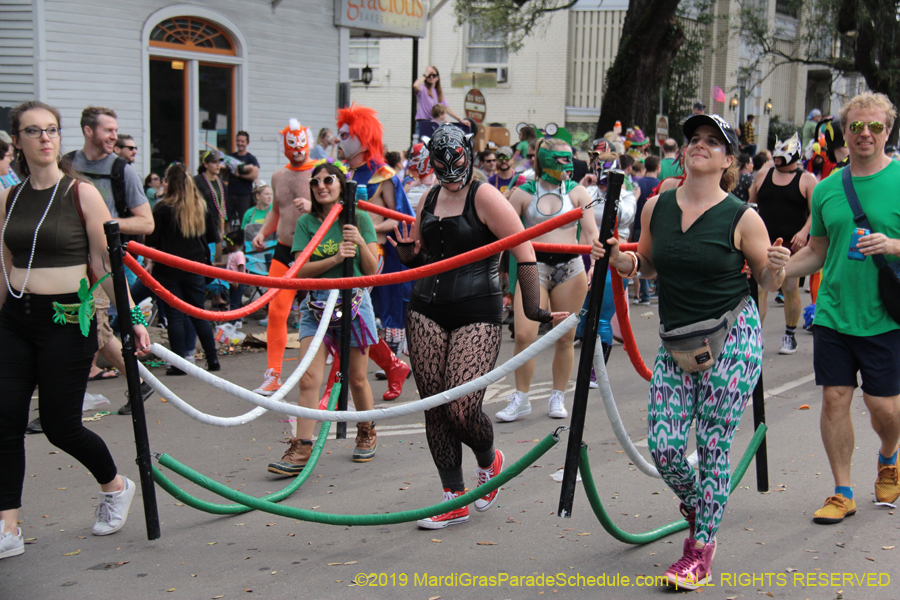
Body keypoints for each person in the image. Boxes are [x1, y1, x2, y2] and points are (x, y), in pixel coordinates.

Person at [592, 113, 790, 590]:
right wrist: (625, 261)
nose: (699, 145)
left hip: (732, 338)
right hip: (677, 340)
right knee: (663, 447)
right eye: (693, 139)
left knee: (714, 442)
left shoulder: (743, 216)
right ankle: (701, 502)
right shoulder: (656, 206)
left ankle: (699, 550)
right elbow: (651, 266)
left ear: (728, 160)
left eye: (711, 142)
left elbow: (765, 280)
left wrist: (778, 268)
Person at [0, 101, 152, 559]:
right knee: (4, 420)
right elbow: (3, 265)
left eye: (52, 130)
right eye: (34, 131)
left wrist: (133, 320)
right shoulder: (9, 198)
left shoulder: (80, 193)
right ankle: (7, 526)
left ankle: (115, 485)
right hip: (15, 320)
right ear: (18, 142)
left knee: (59, 425)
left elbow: (104, 264)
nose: (45, 138)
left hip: (68, 321)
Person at [391, 124, 562, 529]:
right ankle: (453, 496)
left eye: (456, 158)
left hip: (476, 311)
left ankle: (490, 460)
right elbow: (423, 255)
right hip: (425, 309)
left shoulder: (484, 195)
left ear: (468, 153)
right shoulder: (430, 196)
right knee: (434, 407)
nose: (449, 167)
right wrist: (406, 254)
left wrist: (534, 309)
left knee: (461, 407)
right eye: (440, 159)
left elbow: (524, 249)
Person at [783, 92, 900, 525]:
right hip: (832, 310)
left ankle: (889, 457)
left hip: (884, 314)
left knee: (883, 407)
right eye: (856, 126)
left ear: (887, 131)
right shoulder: (829, 188)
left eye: (874, 127)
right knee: (834, 399)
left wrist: (892, 245)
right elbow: (817, 250)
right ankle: (842, 491)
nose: (865, 134)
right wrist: (777, 270)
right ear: (844, 133)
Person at [267, 159, 380, 475]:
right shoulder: (306, 223)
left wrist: (358, 242)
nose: (321, 186)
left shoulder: (359, 218)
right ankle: (302, 448)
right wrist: (334, 257)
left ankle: (366, 431)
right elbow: (299, 270)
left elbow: (371, 271)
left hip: (354, 305)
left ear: (341, 184)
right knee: (308, 379)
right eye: (315, 182)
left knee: (356, 378)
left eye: (328, 180)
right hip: (316, 308)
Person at [497, 137, 598, 422]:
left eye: (570, 158)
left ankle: (557, 396)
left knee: (564, 338)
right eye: (562, 159)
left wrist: (594, 264)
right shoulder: (523, 193)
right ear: (545, 161)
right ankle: (521, 397)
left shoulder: (579, 193)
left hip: (571, 270)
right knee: (525, 336)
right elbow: (499, 230)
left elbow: (591, 232)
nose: (568, 164)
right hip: (533, 268)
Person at [68, 106, 154, 417]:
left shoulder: (122, 170)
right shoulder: (67, 165)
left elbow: (146, 223)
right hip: (67, 261)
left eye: (115, 131)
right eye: (108, 130)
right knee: (87, 330)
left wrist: (102, 222)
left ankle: (138, 380)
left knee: (96, 330)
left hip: (102, 261)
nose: (114, 137)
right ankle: (139, 381)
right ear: (88, 131)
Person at [337, 103, 412, 399]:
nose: (338, 140)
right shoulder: (341, 172)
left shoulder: (383, 174)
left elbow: (398, 216)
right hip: (342, 251)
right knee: (351, 315)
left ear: (361, 137)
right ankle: (393, 365)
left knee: (348, 312)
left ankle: (335, 386)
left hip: (373, 253)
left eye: (345, 134)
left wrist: (368, 231)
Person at [251, 119, 313, 396]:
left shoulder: (322, 172)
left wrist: (313, 206)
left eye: (301, 142)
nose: (298, 149)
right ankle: (273, 374)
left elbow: (337, 208)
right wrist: (264, 232)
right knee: (276, 311)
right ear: (284, 146)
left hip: (315, 252)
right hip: (284, 250)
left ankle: (338, 376)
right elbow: (276, 211)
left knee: (328, 317)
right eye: (292, 144)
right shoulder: (277, 176)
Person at [145, 163, 221, 376]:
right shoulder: (200, 205)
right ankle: (212, 358)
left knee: (175, 315)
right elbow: (212, 237)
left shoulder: (162, 208)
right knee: (198, 313)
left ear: (168, 183)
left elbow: (152, 239)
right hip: (195, 265)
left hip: (169, 267)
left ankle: (179, 363)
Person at [749, 132, 817, 354]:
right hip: (763, 242)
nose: (777, 159)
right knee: (760, 288)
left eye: (782, 154)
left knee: (789, 288)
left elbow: (816, 212)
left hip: (792, 243)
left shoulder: (806, 179)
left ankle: (789, 335)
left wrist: (804, 232)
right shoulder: (762, 175)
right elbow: (750, 205)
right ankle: (756, 335)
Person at [413, 66, 470, 138]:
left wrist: (460, 120)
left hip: (434, 124)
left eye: (434, 75)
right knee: (421, 146)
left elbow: (447, 109)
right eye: (429, 75)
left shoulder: (438, 93)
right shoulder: (423, 89)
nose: (431, 77)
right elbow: (415, 85)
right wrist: (425, 73)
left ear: (437, 78)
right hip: (423, 122)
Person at [225, 131, 260, 233]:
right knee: (227, 219)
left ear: (247, 143)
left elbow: (254, 175)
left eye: (242, 141)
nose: (240, 143)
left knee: (244, 220)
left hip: (244, 194)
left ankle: (244, 242)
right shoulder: (231, 156)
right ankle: (227, 240)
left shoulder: (251, 158)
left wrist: (240, 175)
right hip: (230, 193)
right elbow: (223, 173)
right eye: (238, 141)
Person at [403, 142, 436, 210]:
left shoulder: (438, 183)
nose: (413, 164)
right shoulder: (408, 185)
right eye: (411, 160)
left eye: (416, 160)